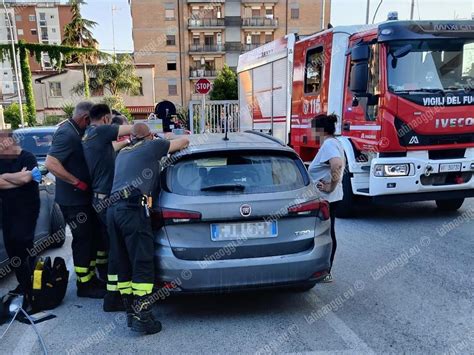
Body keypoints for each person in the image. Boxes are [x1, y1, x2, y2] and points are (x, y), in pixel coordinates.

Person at [108, 123, 189, 334]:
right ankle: (143, 317)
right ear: (150, 136)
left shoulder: (124, 152)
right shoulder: (151, 147)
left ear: (132, 137)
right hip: (132, 209)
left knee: (123, 261)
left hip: (113, 210)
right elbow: (184, 142)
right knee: (142, 261)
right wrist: (162, 139)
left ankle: (131, 313)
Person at [45, 101, 105, 299]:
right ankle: (84, 285)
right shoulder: (67, 133)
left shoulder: (77, 132)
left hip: (82, 199)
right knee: (83, 240)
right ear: (85, 119)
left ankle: (90, 278)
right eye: (92, 121)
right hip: (73, 201)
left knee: (92, 238)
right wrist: (77, 182)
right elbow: (51, 163)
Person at [82, 103, 133, 312]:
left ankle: (114, 293)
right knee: (117, 248)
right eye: (111, 119)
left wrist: (127, 143)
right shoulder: (102, 130)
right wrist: (152, 127)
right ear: (105, 119)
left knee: (113, 245)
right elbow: (134, 128)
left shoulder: (89, 135)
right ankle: (114, 297)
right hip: (107, 199)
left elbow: (109, 150)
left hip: (98, 197)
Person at [0, 133, 42, 303]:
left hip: (27, 208)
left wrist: (6, 177)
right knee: (11, 248)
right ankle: (24, 284)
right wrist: (17, 177)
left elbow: (26, 178)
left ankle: (33, 284)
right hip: (7, 209)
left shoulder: (28, 157)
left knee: (23, 244)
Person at [308, 114, 344, 283]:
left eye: (313, 128)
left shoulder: (329, 144)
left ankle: (326, 271)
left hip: (327, 198)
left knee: (326, 235)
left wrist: (331, 186)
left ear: (320, 130)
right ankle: (325, 269)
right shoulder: (334, 143)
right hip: (330, 198)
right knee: (328, 233)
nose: (311, 132)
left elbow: (336, 164)